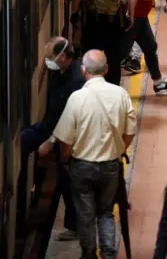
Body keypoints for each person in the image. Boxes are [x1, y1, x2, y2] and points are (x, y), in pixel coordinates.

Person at [50, 50, 136, 259]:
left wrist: (65, 161)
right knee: (106, 212)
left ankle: (88, 254)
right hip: (110, 166)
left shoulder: (77, 98)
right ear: (106, 70)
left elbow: (66, 140)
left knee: (86, 215)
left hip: (82, 166)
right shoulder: (121, 95)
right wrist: (118, 150)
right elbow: (129, 132)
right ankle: (108, 254)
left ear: (83, 70)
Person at [19, 37, 83, 243]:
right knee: (22, 141)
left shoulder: (76, 82)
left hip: (63, 137)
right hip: (49, 126)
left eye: (50, 56)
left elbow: (70, 120)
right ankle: (20, 198)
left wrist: (51, 142)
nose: (47, 61)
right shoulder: (59, 72)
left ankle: (73, 226)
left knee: (66, 180)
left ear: (63, 57)